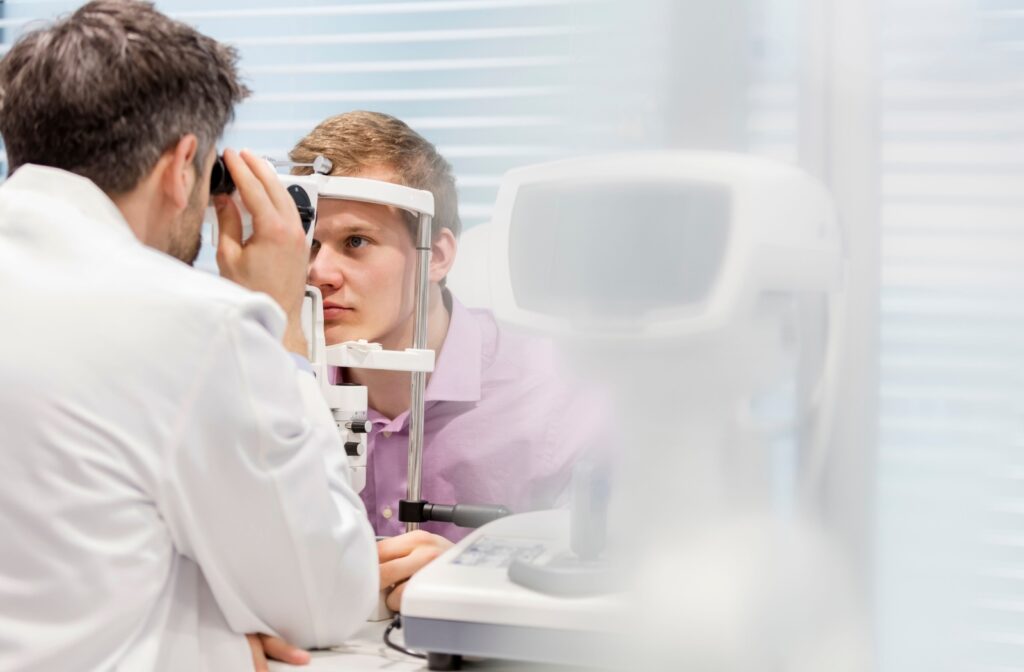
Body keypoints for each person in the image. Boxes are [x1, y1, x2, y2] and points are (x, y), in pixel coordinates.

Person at [0, 3, 376, 670]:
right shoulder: (192, 324)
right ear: (182, 167)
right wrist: (281, 323)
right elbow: (326, 599)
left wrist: (194, 642)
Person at [291, 111, 598, 611]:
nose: (320, 273)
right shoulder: (281, 389)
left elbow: (637, 571)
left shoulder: (559, 392)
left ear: (436, 256)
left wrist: (475, 580)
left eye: (356, 242)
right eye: (309, 244)